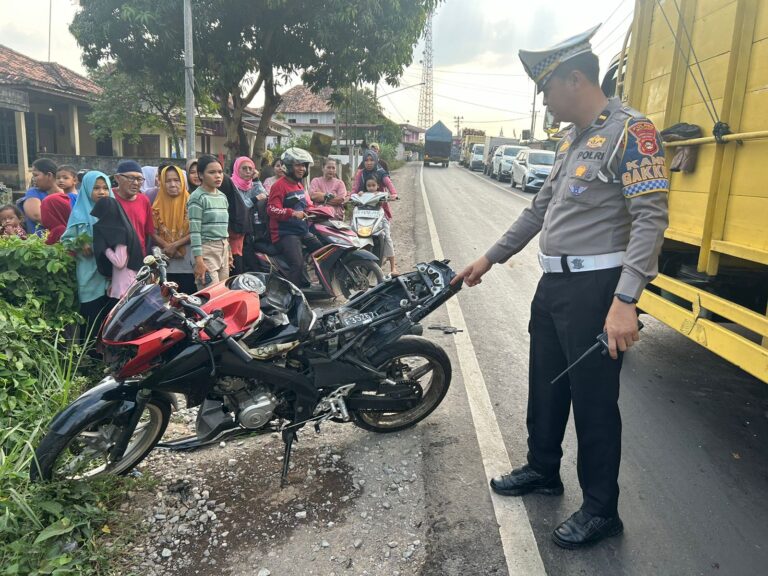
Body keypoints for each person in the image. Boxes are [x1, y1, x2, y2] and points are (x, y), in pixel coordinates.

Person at [453, 26, 669, 550]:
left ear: (576, 79)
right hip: (554, 284)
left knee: (594, 401)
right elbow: (538, 210)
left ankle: (601, 509)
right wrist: (488, 258)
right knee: (546, 384)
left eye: (547, 89)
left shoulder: (632, 133)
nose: (545, 102)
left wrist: (625, 301)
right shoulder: (574, 140)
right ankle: (543, 468)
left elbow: (651, 219)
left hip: (599, 289)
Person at [61, 171, 114, 338]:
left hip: (112, 277)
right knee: (91, 320)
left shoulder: (113, 212)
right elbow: (66, 240)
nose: (101, 192)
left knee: (110, 322)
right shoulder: (79, 214)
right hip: (89, 275)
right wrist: (79, 243)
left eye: (105, 188)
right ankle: (90, 359)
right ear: (86, 190)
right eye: (96, 188)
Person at [267, 148, 322, 288]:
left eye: (304, 165)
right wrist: (291, 213)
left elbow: (307, 204)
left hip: (301, 231)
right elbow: (272, 209)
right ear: (288, 166)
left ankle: (318, 281)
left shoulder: (298, 184)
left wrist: (320, 209)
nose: (302, 168)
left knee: (322, 250)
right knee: (296, 264)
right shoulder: (278, 186)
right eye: (298, 165)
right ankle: (293, 297)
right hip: (285, 233)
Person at [187, 155, 232, 288]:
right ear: (201, 175)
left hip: (223, 249)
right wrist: (199, 261)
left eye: (220, 172)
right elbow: (194, 232)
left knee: (223, 295)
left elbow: (224, 228)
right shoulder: (197, 197)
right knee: (211, 297)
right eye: (212, 172)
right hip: (206, 250)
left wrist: (228, 250)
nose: (218, 176)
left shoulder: (222, 196)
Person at [352, 149, 399, 275]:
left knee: (387, 236)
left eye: (371, 160)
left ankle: (393, 267)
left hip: (379, 210)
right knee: (353, 233)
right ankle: (351, 264)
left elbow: (389, 184)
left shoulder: (381, 172)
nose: (369, 162)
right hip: (362, 211)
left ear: (376, 160)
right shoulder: (360, 174)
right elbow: (354, 189)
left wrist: (393, 194)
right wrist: (352, 195)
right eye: (366, 160)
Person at [151, 165, 195, 293]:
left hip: (189, 262)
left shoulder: (192, 202)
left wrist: (175, 245)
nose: (172, 184)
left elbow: (197, 231)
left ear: (183, 181)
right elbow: (152, 232)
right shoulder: (156, 205)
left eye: (177, 180)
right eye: (168, 180)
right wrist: (167, 246)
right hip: (166, 263)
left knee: (188, 298)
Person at [92, 194, 144, 301]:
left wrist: (104, 248)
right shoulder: (123, 228)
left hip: (125, 288)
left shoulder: (120, 232)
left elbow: (119, 262)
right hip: (124, 284)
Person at [222, 156, 267, 274]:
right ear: (237, 169)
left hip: (249, 228)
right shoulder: (231, 184)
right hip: (235, 229)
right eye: (244, 168)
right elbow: (239, 206)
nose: (248, 171)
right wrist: (255, 199)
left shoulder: (251, 184)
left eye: (250, 169)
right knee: (238, 264)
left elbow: (264, 195)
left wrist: (256, 180)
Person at [112, 159, 155, 256]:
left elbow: (148, 232)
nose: (136, 183)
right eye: (131, 178)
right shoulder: (109, 198)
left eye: (139, 179)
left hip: (139, 257)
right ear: (117, 178)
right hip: (114, 258)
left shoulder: (144, 200)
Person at [19, 158, 63, 235]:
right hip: (39, 243)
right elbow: (36, 216)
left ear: (49, 175)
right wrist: (64, 227)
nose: (33, 179)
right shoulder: (33, 192)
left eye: (36, 175)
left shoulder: (66, 194)